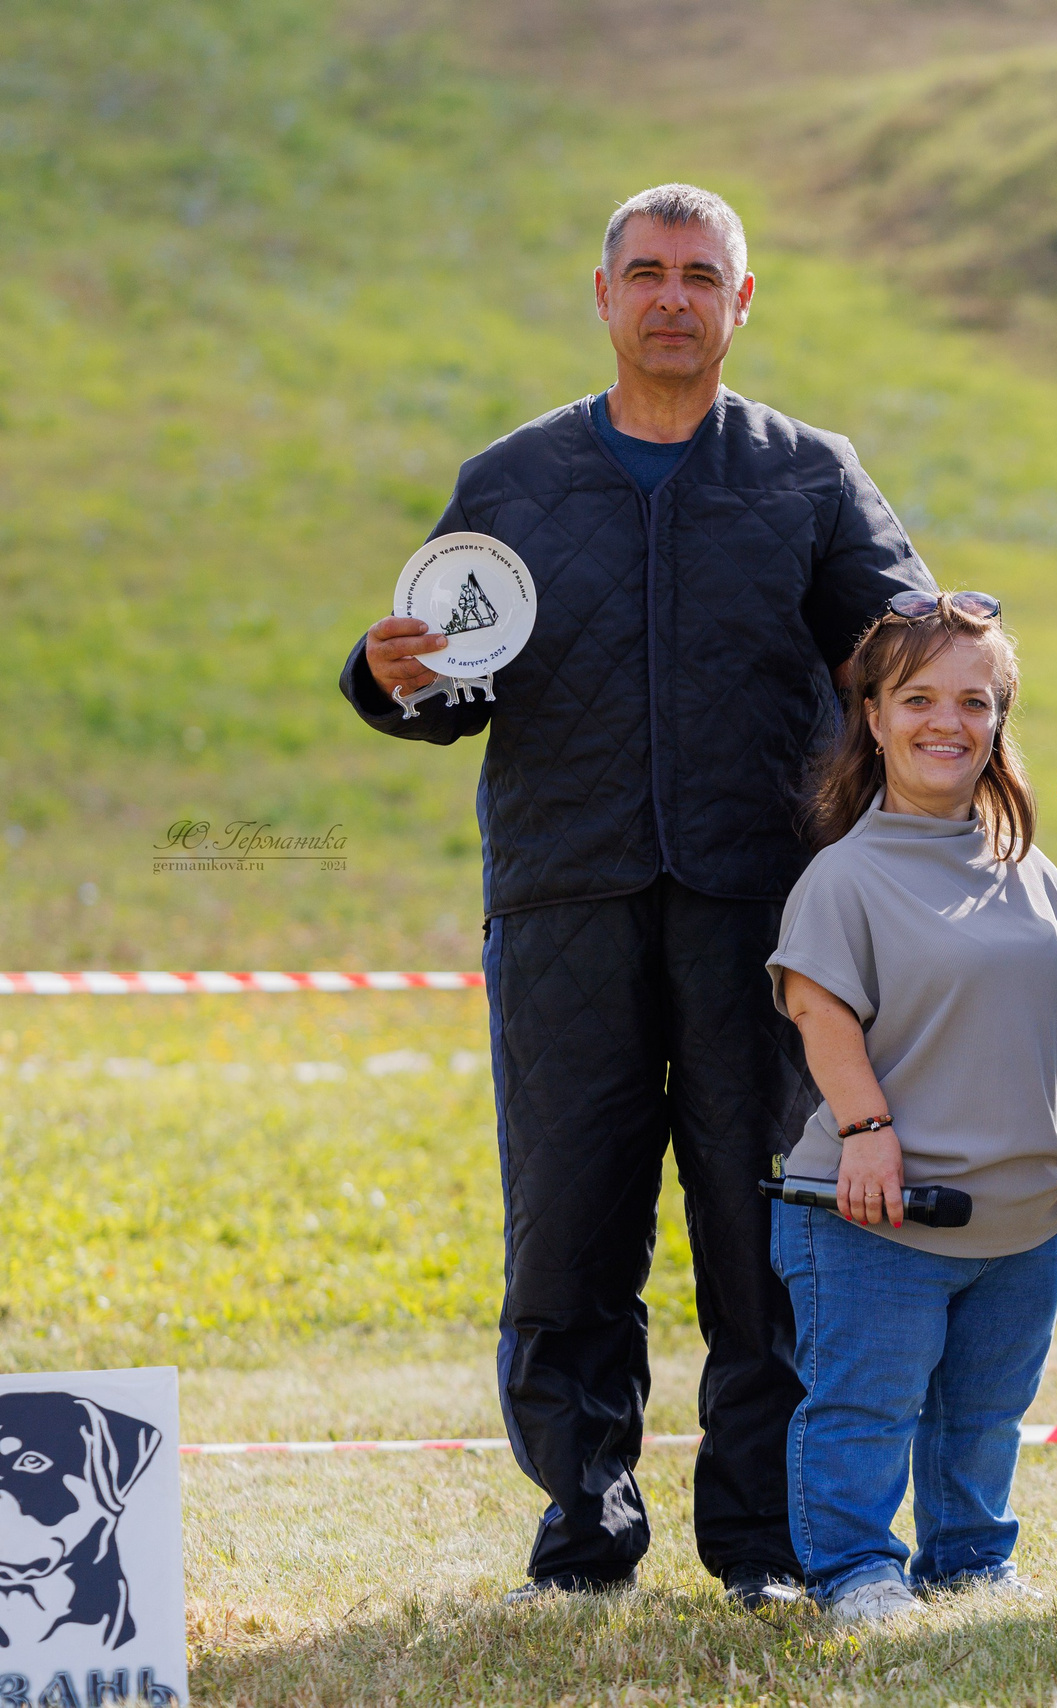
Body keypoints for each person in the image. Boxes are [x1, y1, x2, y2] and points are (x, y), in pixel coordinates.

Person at [338, 183, 931, 1606]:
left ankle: (764, 1543)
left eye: (701, 275)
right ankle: (584, 1533)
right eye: (647, 273)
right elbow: (443, 681)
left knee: (762, 1232)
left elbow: (906, 652)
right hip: (565, 906)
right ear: (601, 297)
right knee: (568, 1227)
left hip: (765, 917)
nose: (674, 297)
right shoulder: (514, 484)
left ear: (743, 302)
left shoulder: (809, 474)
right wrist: (387, 679)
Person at [767, 592, 1057, 1626]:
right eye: (917, 698)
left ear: (998, 721)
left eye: (972, 700)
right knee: (865, 1409)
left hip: (1018, 1214)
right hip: (875, 1215)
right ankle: (853, 1570)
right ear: (872, 717)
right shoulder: (843, 876)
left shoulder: (1030, 869)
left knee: (983, 1413)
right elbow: (819, 1011)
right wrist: (868, 1133)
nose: (944, 723)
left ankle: (968, 1559)